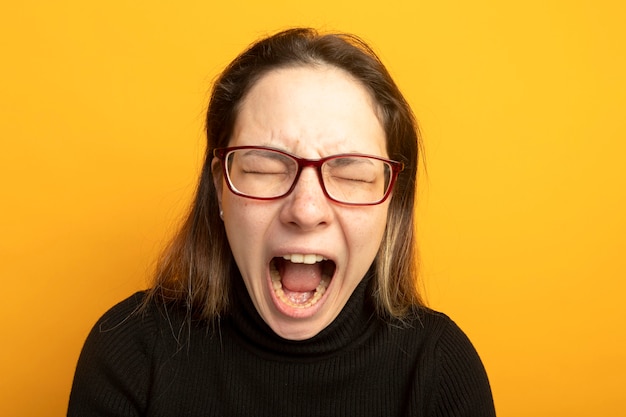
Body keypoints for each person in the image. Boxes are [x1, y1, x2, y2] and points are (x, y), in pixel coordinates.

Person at [68, 28, 496, 416]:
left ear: (392, 202)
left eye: (351, 174)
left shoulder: (441, 370)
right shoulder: (130, 354)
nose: (306, 210)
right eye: (265, 168)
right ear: (221, 186)